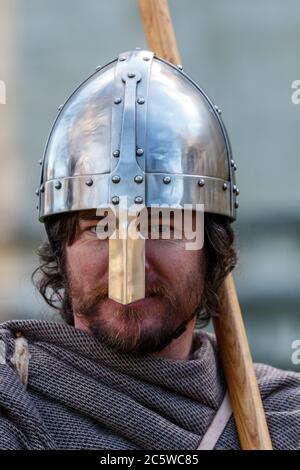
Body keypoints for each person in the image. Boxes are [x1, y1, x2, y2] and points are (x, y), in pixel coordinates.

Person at [0, 50, 299, 450]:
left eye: (161, 225)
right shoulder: (13, 402)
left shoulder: (283, 420)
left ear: (211, 251)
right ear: (61, 247)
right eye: (99, 227)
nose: (129, 268)